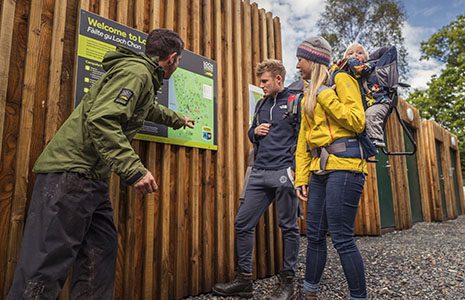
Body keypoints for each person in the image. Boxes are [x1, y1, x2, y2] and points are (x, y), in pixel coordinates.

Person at [7, 28, 195, 299]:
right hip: (72, 174)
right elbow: (103, 120)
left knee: (100, 250)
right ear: (173, 58)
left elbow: (147, 108)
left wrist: (178, 119)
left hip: (92, 179)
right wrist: (134, 169)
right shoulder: (137, 73)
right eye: (179, 61)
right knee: (46, 261)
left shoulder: (141, 76)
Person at [213, 59, 301, 300]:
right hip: (259, 172)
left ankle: (288, 282)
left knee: (289, 227)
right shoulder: (261, 104)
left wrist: (294, 169)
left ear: (278, 80)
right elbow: (252, 133)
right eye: (260, 81)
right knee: (242, 223)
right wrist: (256, 131)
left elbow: (304, 138)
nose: (261, 85)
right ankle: (244, 282)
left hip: (284, 172)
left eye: (264, 81)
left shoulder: (295, 102)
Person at [294, 37, 368, 300]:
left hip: (346, 167)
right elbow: (303, 141)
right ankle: (309, 293)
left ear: (313, 60)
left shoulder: (341, 81)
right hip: (318, 171)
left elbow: (357, 121)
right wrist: (301, 178)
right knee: (313, 234)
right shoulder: (306, 95)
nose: (297, 64)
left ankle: (359, 297)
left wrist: (326, 95)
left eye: (300, 59)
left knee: (341, 237)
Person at [338, 42, 392, 147]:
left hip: (379, 101)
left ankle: (375, 139)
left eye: (359, 53)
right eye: (351, 53)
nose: (355, 55)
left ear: (366, 58)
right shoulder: (347, 75)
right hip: (363, 105)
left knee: (371, 115)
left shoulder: (370, 66)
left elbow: (359, 69)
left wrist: (350, 60)